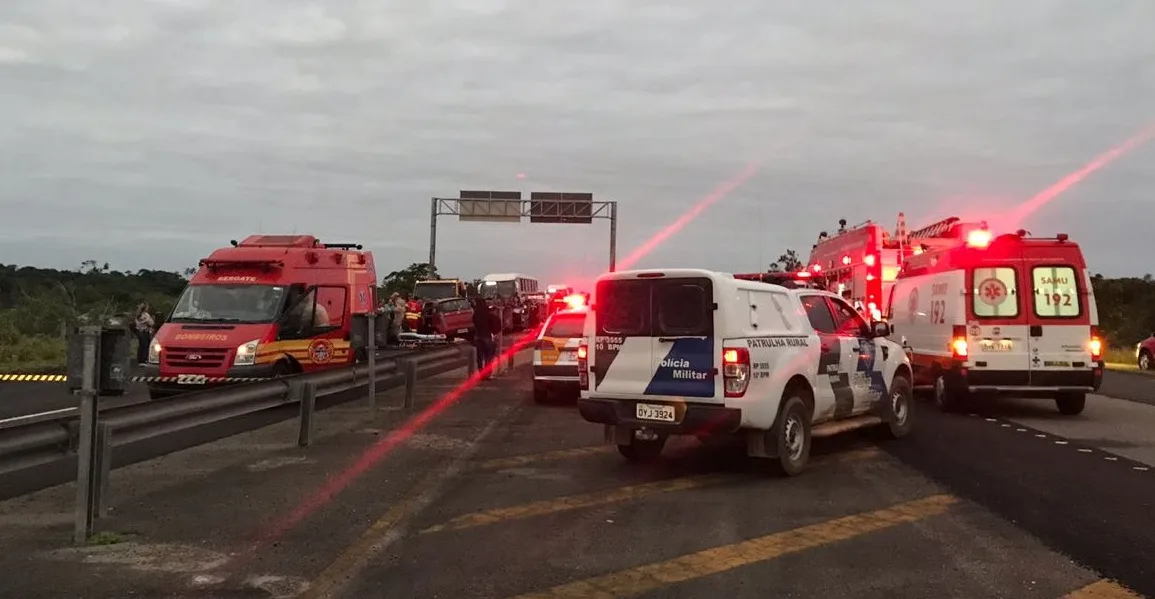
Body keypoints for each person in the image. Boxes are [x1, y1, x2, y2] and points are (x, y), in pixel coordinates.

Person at [471, 297, 500, 377]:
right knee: (490, 354)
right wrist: (494, 331)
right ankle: (487, 372)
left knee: (479, 356)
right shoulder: (487, 313)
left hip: (477, 336)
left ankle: (481, 373)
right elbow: (495, 323)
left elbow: (474, 322)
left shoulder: (476, 314)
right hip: (486, 336)